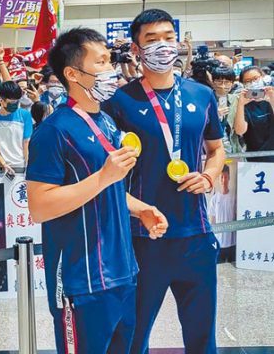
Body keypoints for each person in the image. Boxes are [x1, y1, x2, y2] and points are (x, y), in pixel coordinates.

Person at [27, 27, 168, 354]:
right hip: (81, 281)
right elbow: (39, 206)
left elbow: (108, 187)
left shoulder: (106, 123)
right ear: (73, 73)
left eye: (110, 61)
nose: (112, 70)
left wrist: (139, 208)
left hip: (123, 271)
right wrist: (105, 177)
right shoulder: (53, 131)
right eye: (102, 62)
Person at [102, 9, 226, 354]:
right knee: (131, 337)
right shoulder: (119, 101)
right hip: (143, 238)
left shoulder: (202, 95)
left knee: (202, 337)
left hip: (196, 236)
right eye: (152, 39)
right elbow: (104, 170)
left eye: (168, 37)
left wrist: (208, 176)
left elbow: (216, 149)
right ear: (136, 48)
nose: (162, 46)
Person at [0, 81, 33, 176]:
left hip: (22, 168)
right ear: (1, 100)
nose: (15, 105)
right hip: (2, 169)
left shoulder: (25, 115)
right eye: (11, 102)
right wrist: (4, 164)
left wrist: (28, 165)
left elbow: (26, 142)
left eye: (17, 102)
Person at [234, 66, 274, 162]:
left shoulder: (271, 96)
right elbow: (240, 131)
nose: (253, 82)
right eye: (248, 81)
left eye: (256, 78)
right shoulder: (245, 104)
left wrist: (272, 100)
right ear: (243, 84)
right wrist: (240, 104)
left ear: (262, 77)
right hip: (255, 159)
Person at [210, 66, 243, 154]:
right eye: (219, 81)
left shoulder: (236, 100)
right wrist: (213, 116)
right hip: (210, 148)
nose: (223, 85)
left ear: (232, 84)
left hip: (232, 148)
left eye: (227, 82)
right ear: (213, 82)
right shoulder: (204, 99)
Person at [208, 165, 236, 263]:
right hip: (219, 244)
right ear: (219, 179)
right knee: (221, 273)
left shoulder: (234, 198)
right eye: (222, 177)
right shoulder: (214, 199)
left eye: (226, 177)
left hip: (232, 244)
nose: (224, 180)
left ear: (229, 178)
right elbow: (212, 221)